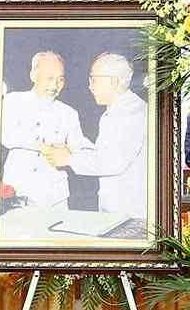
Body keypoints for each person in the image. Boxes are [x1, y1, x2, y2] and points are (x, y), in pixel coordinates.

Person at [45, 52, 148, 219]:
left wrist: (69, 159)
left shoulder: (129, 114)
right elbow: (105, 153)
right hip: (119, 210)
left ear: (113, 81)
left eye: (94, 79)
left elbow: (112, 162)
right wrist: (73, 147)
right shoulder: (120, 109)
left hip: (131, 214)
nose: (90, 86)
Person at [0, 51, 86, 209]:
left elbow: (78, 148)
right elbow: (4, 136)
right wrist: (44, 145)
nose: (55, 85)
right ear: (33, 75)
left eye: (60, 79)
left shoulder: (69, 113)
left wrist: (70, 151)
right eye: (49, 78)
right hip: (18, 191)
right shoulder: (13, 101)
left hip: (55, 195)